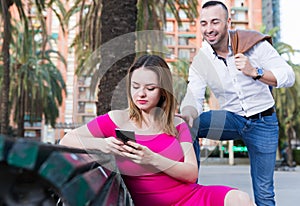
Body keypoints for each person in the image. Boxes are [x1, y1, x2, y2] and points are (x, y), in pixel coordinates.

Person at [60, 54, 255, 206]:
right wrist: (104, 144)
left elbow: (191, 173)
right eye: (135, 86)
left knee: (241, 199)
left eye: (150, 88)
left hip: (190, 197)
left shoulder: (176, 124)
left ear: (163, 90)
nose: (141, 94)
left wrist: (151, 159)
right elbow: (67, 140)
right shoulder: (118, 119)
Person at [180, 1, 295, 206]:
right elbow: (193, 96)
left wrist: (255, 72)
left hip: (263, 122)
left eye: (215, 22)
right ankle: (191, 192)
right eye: (204, 23)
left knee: (264, 192)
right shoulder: (202, 59)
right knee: (191, 125)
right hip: (232, 119)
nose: (209, 29)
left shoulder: (254, 44)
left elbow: (288, 76)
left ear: (228, 22)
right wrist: (188, 113)